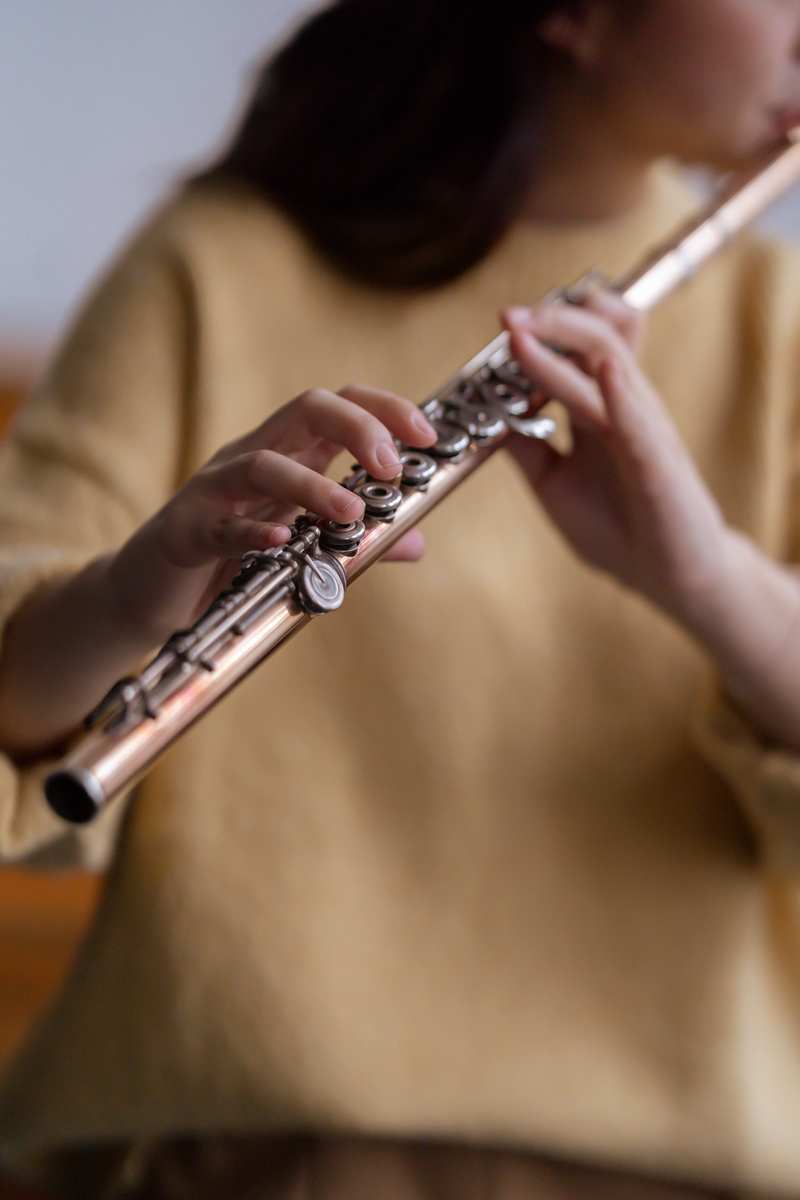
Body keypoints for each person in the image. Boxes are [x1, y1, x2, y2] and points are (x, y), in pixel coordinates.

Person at [0, 0, 800, 1196]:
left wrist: (705, 579)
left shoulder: (767, 316)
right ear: (574, 15)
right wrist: (135, 590)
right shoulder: (217, 260)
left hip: (676, 1162)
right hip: (250, 1151)